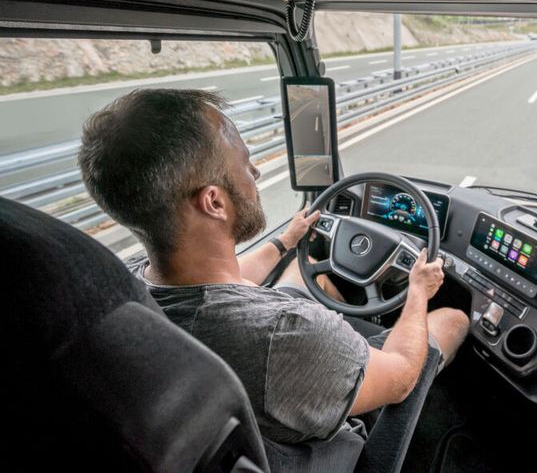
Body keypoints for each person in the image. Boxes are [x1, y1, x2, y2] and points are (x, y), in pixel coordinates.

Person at [78, 88, 469, 450]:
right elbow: (400, 377)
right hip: (328, 449)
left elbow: (222, 284)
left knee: (308, 268)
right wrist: (418, 290)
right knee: (451, 319)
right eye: (247, 166)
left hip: (251, 404)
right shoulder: (287, 334)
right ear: (214, 202)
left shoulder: (122, 284)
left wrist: (285, 241)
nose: (257, 175)